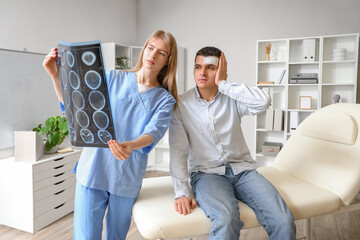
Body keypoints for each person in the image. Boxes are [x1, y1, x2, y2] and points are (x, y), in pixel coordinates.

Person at [43, 30, 178, 240]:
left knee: (116, 236)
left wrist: (131, 145)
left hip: (126, 177)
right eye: (151, 48)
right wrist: (54, 75)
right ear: (144, 49)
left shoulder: (165, 99)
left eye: (161, 53)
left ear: (168, 61)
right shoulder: (114, 77)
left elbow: (153, 132)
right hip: (93, 170)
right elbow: (78, 111)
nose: (153, 55)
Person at [169, 46, 296, 240]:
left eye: (210, 68)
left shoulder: (232, 97)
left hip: (244, 171)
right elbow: (178, 151)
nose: (202, 73)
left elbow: (263, 101)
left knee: (283, 220)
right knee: (226, 220)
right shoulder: (181, 105)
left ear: (221, 70)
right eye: (197, 67)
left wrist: (223, 84)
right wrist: (181, 192)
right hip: (207, 175)